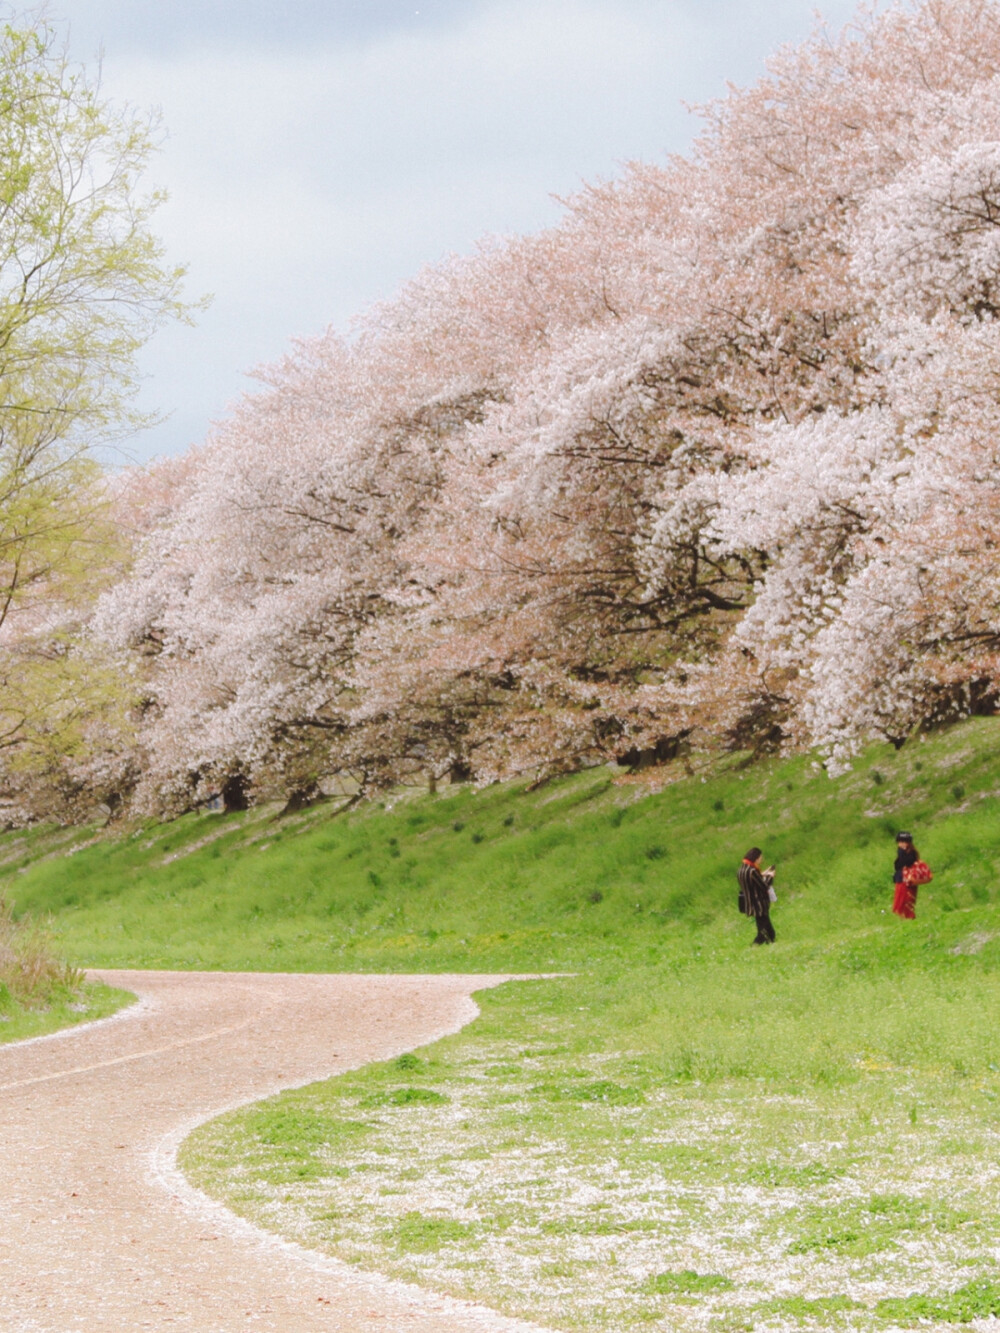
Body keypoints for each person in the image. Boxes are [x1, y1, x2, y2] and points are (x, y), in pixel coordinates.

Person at [738, 847, 776, 944]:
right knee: (763, 929)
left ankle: (770, 942)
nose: (761, 859)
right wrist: (770, 876)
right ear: (756, 858)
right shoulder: (752, 871)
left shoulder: (742, 870)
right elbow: (764, 886)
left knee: (767, 928)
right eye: (760, 857)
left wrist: (763, 874)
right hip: (759, 903)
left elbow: (752, 880)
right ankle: (756, 944)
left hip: (750, 902)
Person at [892, 831, 919, 919]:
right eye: (900, 842)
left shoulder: (911, 853)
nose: (902, 844)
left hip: (908, 880)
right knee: (899, 901)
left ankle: (909, 917)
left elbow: (906, 863)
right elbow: (897, 866)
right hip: (900, 879)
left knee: (906, 900)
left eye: (904, 842)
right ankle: (903, 918)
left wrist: (902, 852)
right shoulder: (901, 852)